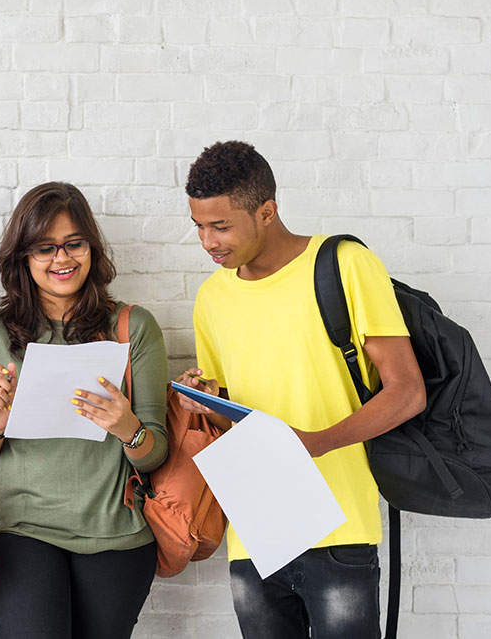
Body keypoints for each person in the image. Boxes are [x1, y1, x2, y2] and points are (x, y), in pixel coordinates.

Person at [175, 140, 426, 639]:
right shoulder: (212, 297)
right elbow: (234, 419)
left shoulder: (345, 263)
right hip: (255, 532)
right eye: (199, 226)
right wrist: (202, 400)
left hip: (341, 526)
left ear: (267, 211)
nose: (208, 241)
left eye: (221, 225)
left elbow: (407, 391)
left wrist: (314, 442)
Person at [0, 182, 170, 639]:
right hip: (23, 528)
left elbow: (155, 453)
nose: (62, 259)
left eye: (74, 244)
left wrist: (127, 427)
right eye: (45, 248)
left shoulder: (132, 327)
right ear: (23, 256)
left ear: (91, 248)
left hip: (117, 532)